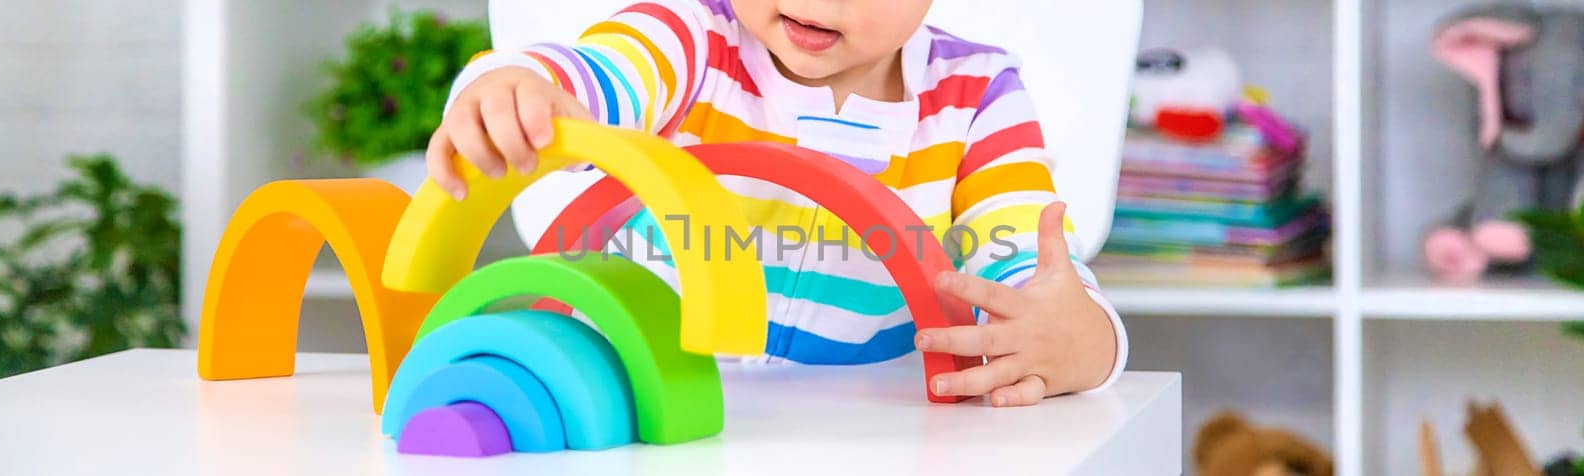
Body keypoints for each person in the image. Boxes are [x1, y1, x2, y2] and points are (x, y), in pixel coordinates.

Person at [427, 0, 1127, 406]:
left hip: (872, 433)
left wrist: (1083, 340)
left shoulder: (978, 93)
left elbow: (1031, 274)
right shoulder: (687, 38)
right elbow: (589, 80)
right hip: (644, 405)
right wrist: (514, 87)